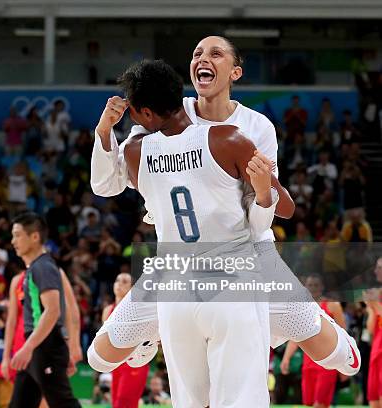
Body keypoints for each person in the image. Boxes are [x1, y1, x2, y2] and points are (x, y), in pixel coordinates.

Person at [88, 36, 360, 387]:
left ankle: (314, 327)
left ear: (235, 72)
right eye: (197, 52)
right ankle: (151, 334)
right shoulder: (166, 111)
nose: (204, 57)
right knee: (99, 356)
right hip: (180, 264)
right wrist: (105, 131)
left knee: (341, 359)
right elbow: (110, 182)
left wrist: (263, 196)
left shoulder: (255, 127)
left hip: (247, 258)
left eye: (216, 53)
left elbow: (270, 206)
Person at [8, 212, 80, 408]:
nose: (13, 241)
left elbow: (53, 311)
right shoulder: (36, 268)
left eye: (17, 235)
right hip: (41, 347)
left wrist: (28, 347)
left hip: (44, 346)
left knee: (63, 403)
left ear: (34, 237)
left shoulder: (43, 267)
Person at [281, 274, 345, 408]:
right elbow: (296, 337)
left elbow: (343, 335)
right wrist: (286, 358)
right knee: (308, 404)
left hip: (328, 362)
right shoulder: (301, 308)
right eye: (310, 285)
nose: (313, 288)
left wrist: (343, 364)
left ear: (322, 287)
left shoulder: (333, 306)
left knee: (319, 404)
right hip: (308, 364)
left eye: (316, 285)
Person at [102, 273, 148, 408]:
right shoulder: (107, 310)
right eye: (117, 280)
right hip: (115, 364)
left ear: (132, 287)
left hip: (133, 362)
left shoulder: (138, 308)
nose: (119, 284)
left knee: (124, 403)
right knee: (116, 403)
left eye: (124, 281)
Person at [364, 258, 382, 408]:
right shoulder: (378, 294)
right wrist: (371, 308)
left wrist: (376, 306)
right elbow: (370, 329)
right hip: (376, 354)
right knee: (374, 401)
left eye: (380, 268)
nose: (376, 271)